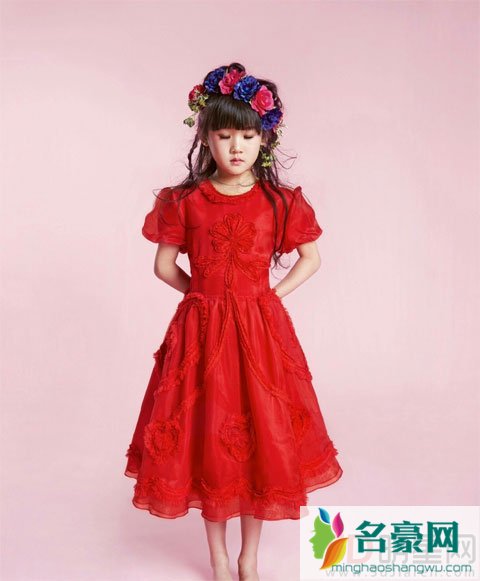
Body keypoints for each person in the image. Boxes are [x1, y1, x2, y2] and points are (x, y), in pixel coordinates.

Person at [124, 62, 343, 581]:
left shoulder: (280, 201)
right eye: (224, 136)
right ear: (206, 138)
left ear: (264, 139)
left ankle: (249, 558)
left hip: (260, 336)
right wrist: (202, 298)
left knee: (261, 436)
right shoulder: (185, 200)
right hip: (200, 337)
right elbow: (163, 265)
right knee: (208, 438)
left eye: (247, 135)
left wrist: (268, 297)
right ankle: (220, 558)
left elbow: (311, 257)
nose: (236, 146)